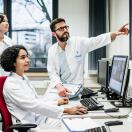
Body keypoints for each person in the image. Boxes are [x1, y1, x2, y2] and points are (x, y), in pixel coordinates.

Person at [0, 45, 87, 131]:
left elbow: (37, 101)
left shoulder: (23, 78)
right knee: (70, 127)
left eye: (27, 56)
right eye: (23, 58)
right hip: (29, 126)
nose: (27, 60)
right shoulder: (11, 84)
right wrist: (67, 110)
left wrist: (56, 102)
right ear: (13, 62)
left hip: (39, 119)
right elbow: (34, 105)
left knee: (74, 122)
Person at [47, 18, 129, 97]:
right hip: (58, 89)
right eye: (61, 28)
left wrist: (115, 33)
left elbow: (96, 41)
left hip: (74, 89)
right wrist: (59, 86)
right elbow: (52, 72)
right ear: (54, 33)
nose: (65, 30)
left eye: (66, 27)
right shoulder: (52, 50)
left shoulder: (78, 43)